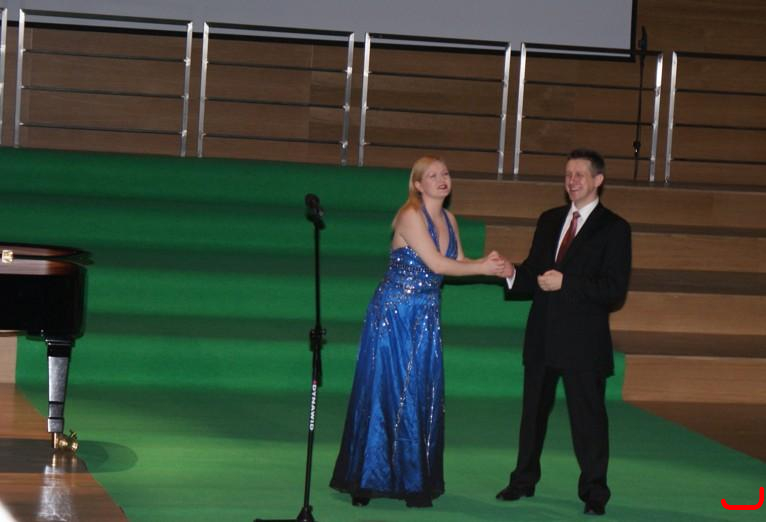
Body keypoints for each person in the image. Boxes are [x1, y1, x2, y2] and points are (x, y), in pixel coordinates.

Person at [330, 156, 507, 508]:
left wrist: (488, 265)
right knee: (384, 391)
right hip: (394, 313)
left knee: (420, 393)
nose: (442, 179)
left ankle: (414, 481)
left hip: (425, 314)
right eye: (433, 175)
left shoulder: (450, 219)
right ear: (417, 184)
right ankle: (366, 479)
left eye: (446, 173)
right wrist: (483, 267)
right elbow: (438, 264)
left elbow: (458, 261)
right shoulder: (410, 215)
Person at [496, 148, 631, 516]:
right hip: (542, 335)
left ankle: (594, 492)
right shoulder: (549, 219)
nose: (572, 181)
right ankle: (522, 480)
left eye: (580, 175)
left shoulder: (615, 228)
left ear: (598, 180)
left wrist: (566, 282)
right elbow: (535, 273)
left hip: (583, 342)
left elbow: (614, 289)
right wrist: (511, 273)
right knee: (532, 416)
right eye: (568, 174)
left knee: (588, 420)